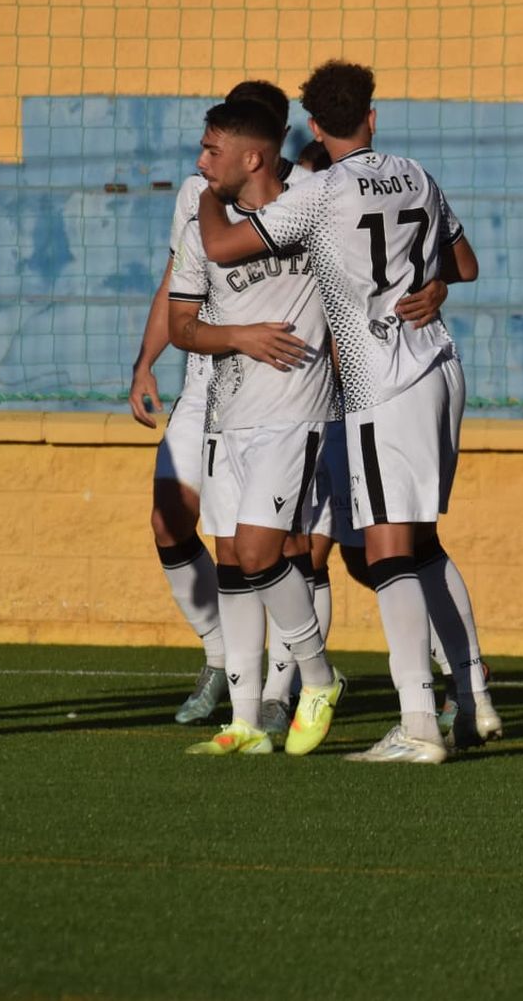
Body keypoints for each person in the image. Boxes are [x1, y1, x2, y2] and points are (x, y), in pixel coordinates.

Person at [196, 60, 498, 763]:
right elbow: (466, 263)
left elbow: (220, 246)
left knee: (388, 551)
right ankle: (475, 693)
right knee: (419, 543)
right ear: (371, 114)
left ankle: (418, 723)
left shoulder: (320, 193)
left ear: (314, 125)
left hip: (378, 381)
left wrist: (203, 195)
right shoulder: (416, 173)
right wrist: (430, 286)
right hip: (439, 367)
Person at [127, 80, 312, 727]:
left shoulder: (309, 190)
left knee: (284, 543)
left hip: (287, 384)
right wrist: (144, 362)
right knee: (172, 520)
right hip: (208, 380)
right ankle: (221, 657)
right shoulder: (196, 195)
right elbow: (177, 282)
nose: (206, 160)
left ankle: (285, 687)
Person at [167, 99, 348, 756]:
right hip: (227, 419)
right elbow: (184, 326)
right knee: (234, 566)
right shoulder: (200, 226)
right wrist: (239, 335)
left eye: (212, 151)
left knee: (260, 550)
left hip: (293, 415)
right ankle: (244, 722)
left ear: (254, 157)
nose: (199, 161)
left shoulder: (313, 209)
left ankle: (318, 679)